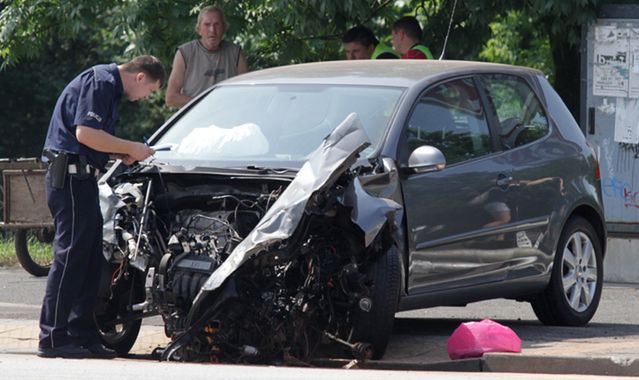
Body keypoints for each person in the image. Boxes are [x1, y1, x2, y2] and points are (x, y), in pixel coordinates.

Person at [38, 55, 165, 359]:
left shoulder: (106, 86)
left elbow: (92, 141)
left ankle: (82, 335)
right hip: (69, 180)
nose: (145, 97)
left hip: (82, 179)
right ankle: (52, 337)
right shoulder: (102, 82)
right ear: (139, 76)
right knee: (70, 257)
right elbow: (85, 133)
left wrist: (120, 154)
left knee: (91, 258)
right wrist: (130, 147)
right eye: (150, 90)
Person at [165, 5, 248, 108]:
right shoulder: (184, 53)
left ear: (224, 28)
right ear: (199, 29)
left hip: (229, 117)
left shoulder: (236, 53)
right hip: (197, 119)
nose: (212, 30)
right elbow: (171, 98)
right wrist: (207, 104)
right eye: (207, 25)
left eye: (217, 24)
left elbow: (246, 92)